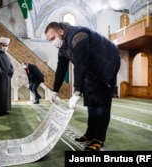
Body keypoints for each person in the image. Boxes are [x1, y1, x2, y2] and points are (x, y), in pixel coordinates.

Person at [45, 22, 120, 151]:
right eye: (49, 40)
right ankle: (90, 133)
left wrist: (76, 92)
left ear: (61, 32)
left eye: (52, 38)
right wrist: (55, 90)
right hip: (92, 68)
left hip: (107, 65)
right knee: (91, 100)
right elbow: (61, 68)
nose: (52, 42)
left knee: (102, 104)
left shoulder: (78, 35)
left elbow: (80, 64)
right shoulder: (62, 46)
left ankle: (99, 138)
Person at [0, 37, 14, 116]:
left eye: (6, 45)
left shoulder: (7, 56)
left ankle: (4, 109)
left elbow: (11, 66)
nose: (5, 47)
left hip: (7, 78)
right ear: (0, 45)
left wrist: (12, 70)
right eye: (4, 45)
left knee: (5, 94)